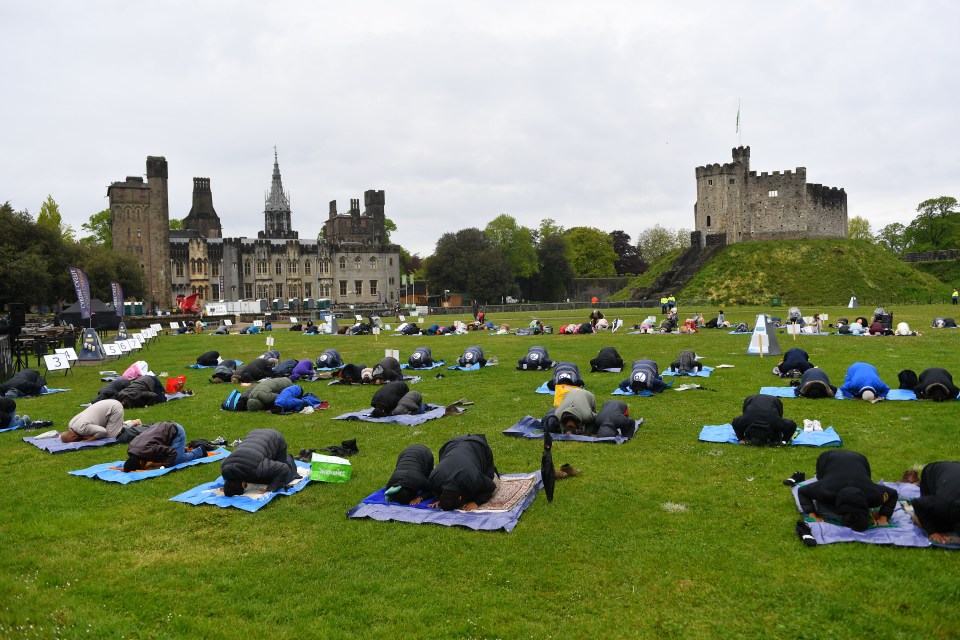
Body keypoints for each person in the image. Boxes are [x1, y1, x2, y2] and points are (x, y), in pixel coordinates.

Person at [797, 450, 898, 532]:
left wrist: (883, 517)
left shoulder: (873, 495)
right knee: (821, 487)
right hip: (828, 457)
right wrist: (813, 515)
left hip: (860, 459)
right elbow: (802, 491)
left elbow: (893, 494)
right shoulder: (826, 491)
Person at [427, 434, 499, 511]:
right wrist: (440, 499)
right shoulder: (434, 478)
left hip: (477, 446)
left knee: (490, 477)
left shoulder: (473, 478)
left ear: (460, 497)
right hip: (451, 445)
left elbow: (491, 486)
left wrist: (476, 502)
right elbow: (435, 491)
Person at [221, 429, 299, 497]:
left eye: (245, 487)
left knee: (281, 477)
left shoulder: (257, 468)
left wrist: (270, 489)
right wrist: (228, 488)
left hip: (275, 438)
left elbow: (283, 468)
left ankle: (289, 458)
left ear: (243, 484)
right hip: (254, 434)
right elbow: (224, 464)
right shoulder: (224, 466)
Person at [122, 421, 208, 472]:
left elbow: (171, 452)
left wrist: (165, 466)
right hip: (162, 428)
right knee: (160, 457)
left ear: (140, 463)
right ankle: (183, 450)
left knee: (177, 460)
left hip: (176, 432)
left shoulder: (148, 450)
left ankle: (200, 451)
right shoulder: (131, 449)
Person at [911, 461, 960, 543]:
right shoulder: (946, 502)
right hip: (932, 471)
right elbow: (918, 503)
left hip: (952, 474)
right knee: (929, 519)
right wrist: (932, 532)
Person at [731, 394, 797, 445]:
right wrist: (741, 439)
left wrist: (784, 441)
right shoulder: (745, 421)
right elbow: (734, 422)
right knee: (777, 438)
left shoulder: (776, 423)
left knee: (777, 438)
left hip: (774, 401)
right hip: (751, 399)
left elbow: (793, 425)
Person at [62, 399, 135, 442]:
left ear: (74, 436)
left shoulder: (82, 429)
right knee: (106, 431)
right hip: (108, 404)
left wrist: (88, 440)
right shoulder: (71, 423)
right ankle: (119, 424)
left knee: (111, 436)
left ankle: (134, 423)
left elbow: (103, 431)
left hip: (114, 407)